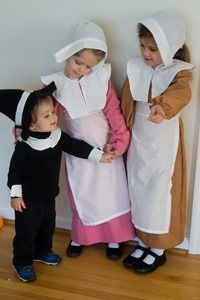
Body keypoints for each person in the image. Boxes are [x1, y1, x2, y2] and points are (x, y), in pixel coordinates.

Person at [0, 82, 114, 282]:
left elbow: (76, 146)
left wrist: (99, 156)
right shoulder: (24, 148)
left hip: (49, 196)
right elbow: (14, 174)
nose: (54, 117)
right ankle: (23, 262)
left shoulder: (57, 137)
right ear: (31, 124)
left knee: (47, 227)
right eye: (47, 116)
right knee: (26, 233)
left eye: (52, 112)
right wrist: (16, 195)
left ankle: (43, 251)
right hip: (28, 202)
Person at [40, 20, 134, 259]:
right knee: (83, 194)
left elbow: (114, 112)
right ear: (70, 52)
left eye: (88, 67)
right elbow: (46, 113)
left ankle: (114, 239)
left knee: (111, 194)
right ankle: (81, 236)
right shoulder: (58, 86)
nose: (81, 69)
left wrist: (120, 142)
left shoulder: (101, 80)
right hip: (79, 154)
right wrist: (27, 127)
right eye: (78, 62)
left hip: (107, 147)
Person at [120, 10, 194, 274]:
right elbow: (127, 101)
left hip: (163, 140)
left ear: (170, 47)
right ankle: (142, 240)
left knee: (160, 190)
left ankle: (159, 248)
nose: (146, 53)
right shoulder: (135, 68)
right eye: (143, 46)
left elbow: (180, 94)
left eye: (153, 48)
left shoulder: (179, 72)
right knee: (138, 187)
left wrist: (162, 108)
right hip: (139, 139)